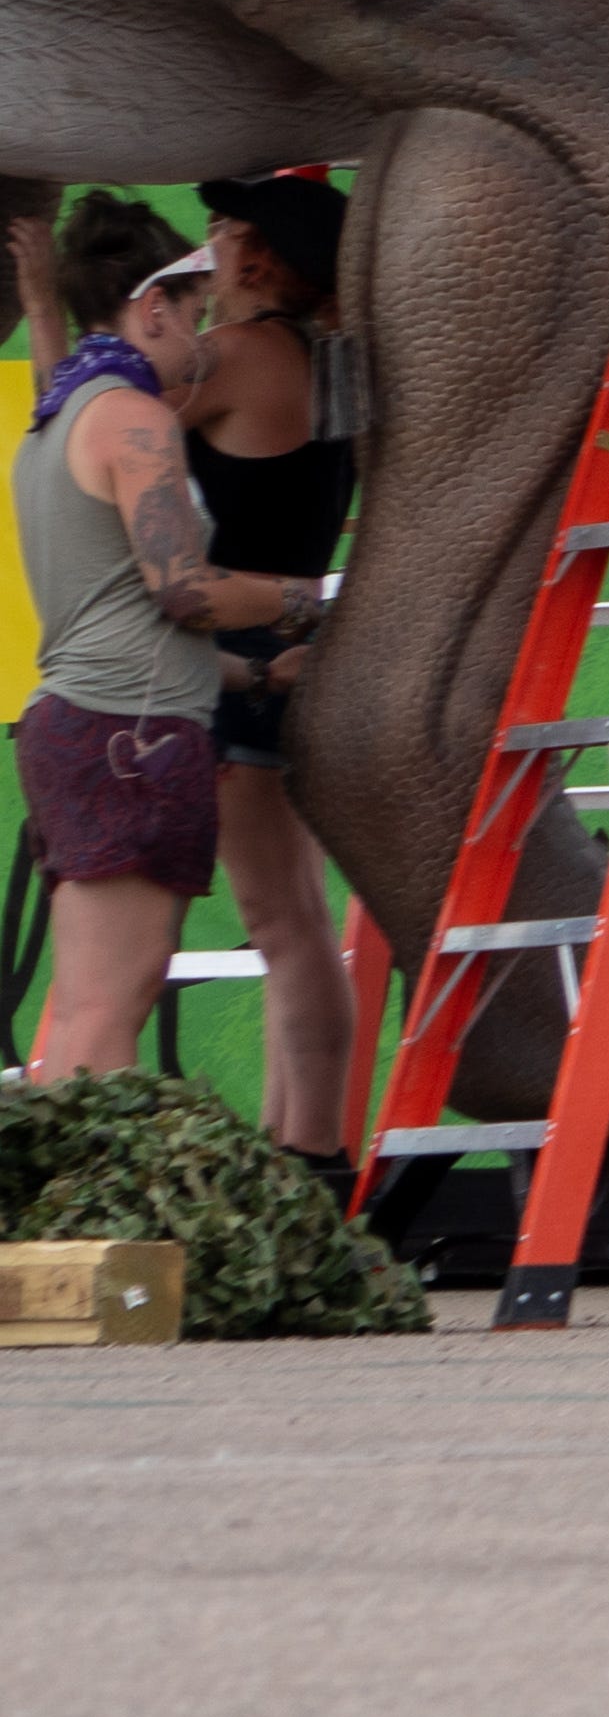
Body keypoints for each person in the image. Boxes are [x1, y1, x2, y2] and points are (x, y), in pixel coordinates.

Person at [13, 195, 330, 1090]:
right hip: (132, 740)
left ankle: (51, 1217)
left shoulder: (57, 421)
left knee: (81, 1003)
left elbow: (131, 615)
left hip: (81, 725)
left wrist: (260, 674)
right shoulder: (135, 420)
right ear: (153, 307)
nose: (202, 337)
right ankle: (76, 1224)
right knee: (114, 1003)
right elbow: (184, 591)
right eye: (193, 314)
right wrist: (308, 600)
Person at [169, 173, 360, 1150]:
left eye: (227, 231)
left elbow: (99, 411)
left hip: (245, 652)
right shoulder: (329, 362)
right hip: (300, 642)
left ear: (259, 260)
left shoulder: (239, 356)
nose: (211, 244)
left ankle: (313, 1151)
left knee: (281, 924)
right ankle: (300, 1147)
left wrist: (120, 300)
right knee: (295, 920)